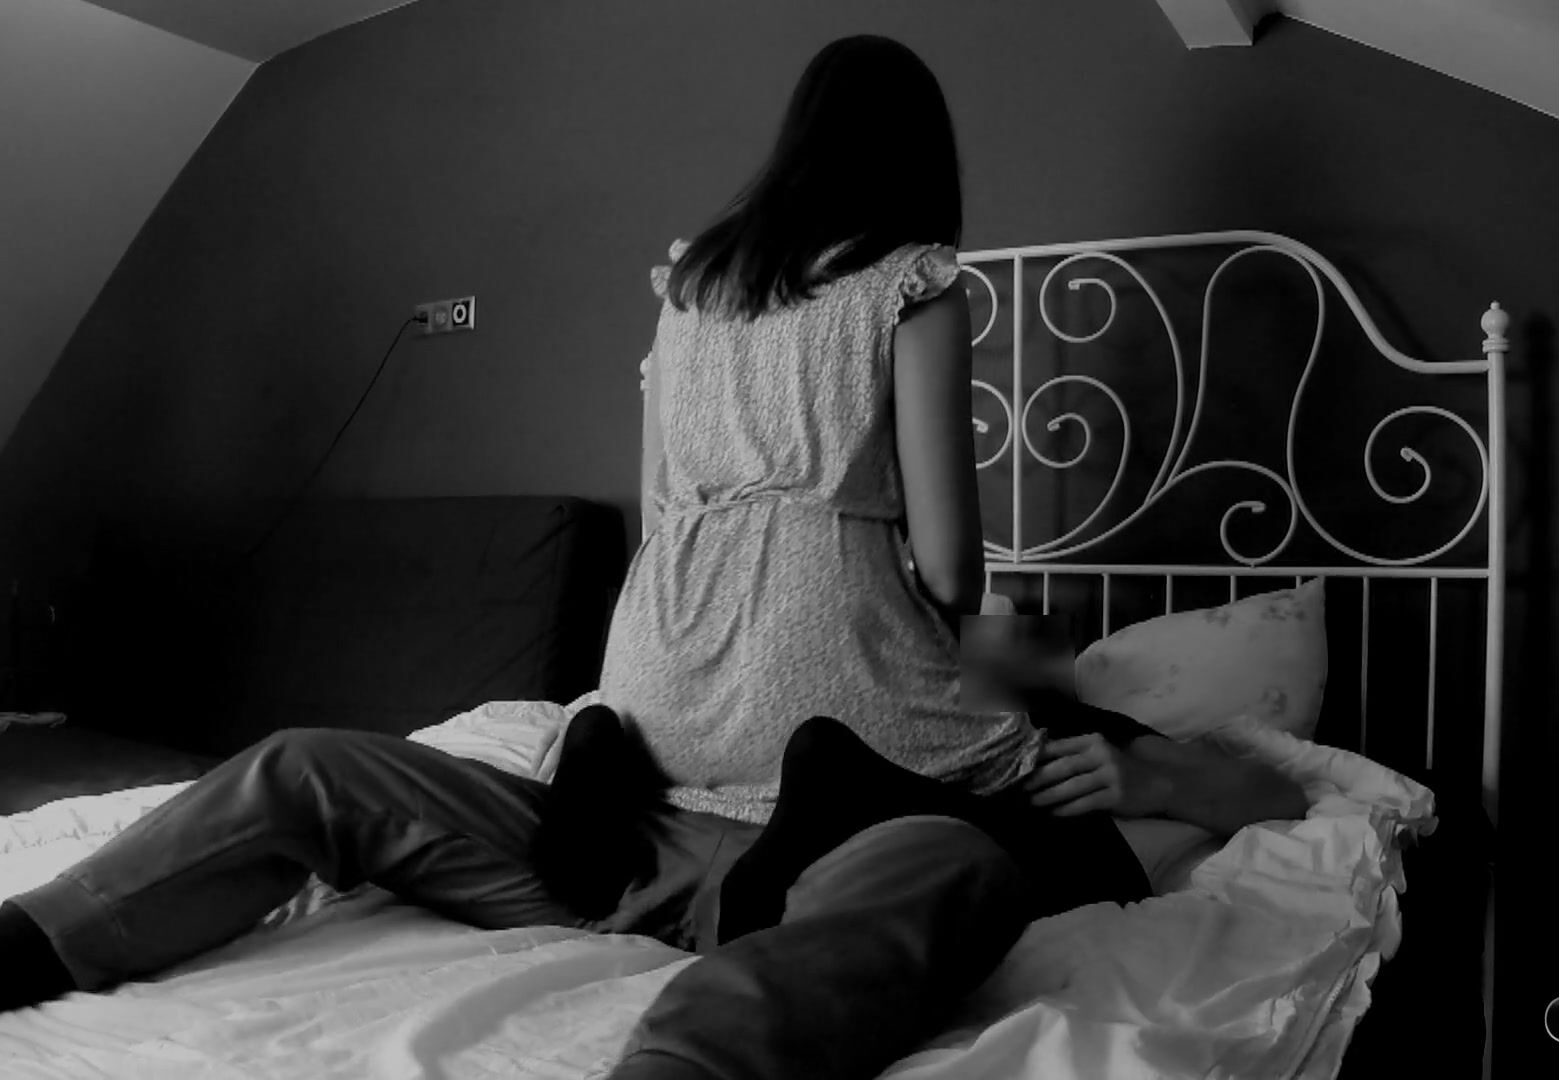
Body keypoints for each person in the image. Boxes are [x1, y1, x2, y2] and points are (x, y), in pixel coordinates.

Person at [0, 35, 1305, 1080]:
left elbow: (666, 506)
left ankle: (33, 942)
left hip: (624, 803)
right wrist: (1028, 670)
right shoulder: (919, 298)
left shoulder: (690, 292)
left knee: (304, 768)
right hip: (722, 832)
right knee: (951, 862)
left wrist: (1127, 748)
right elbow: (956, 569)